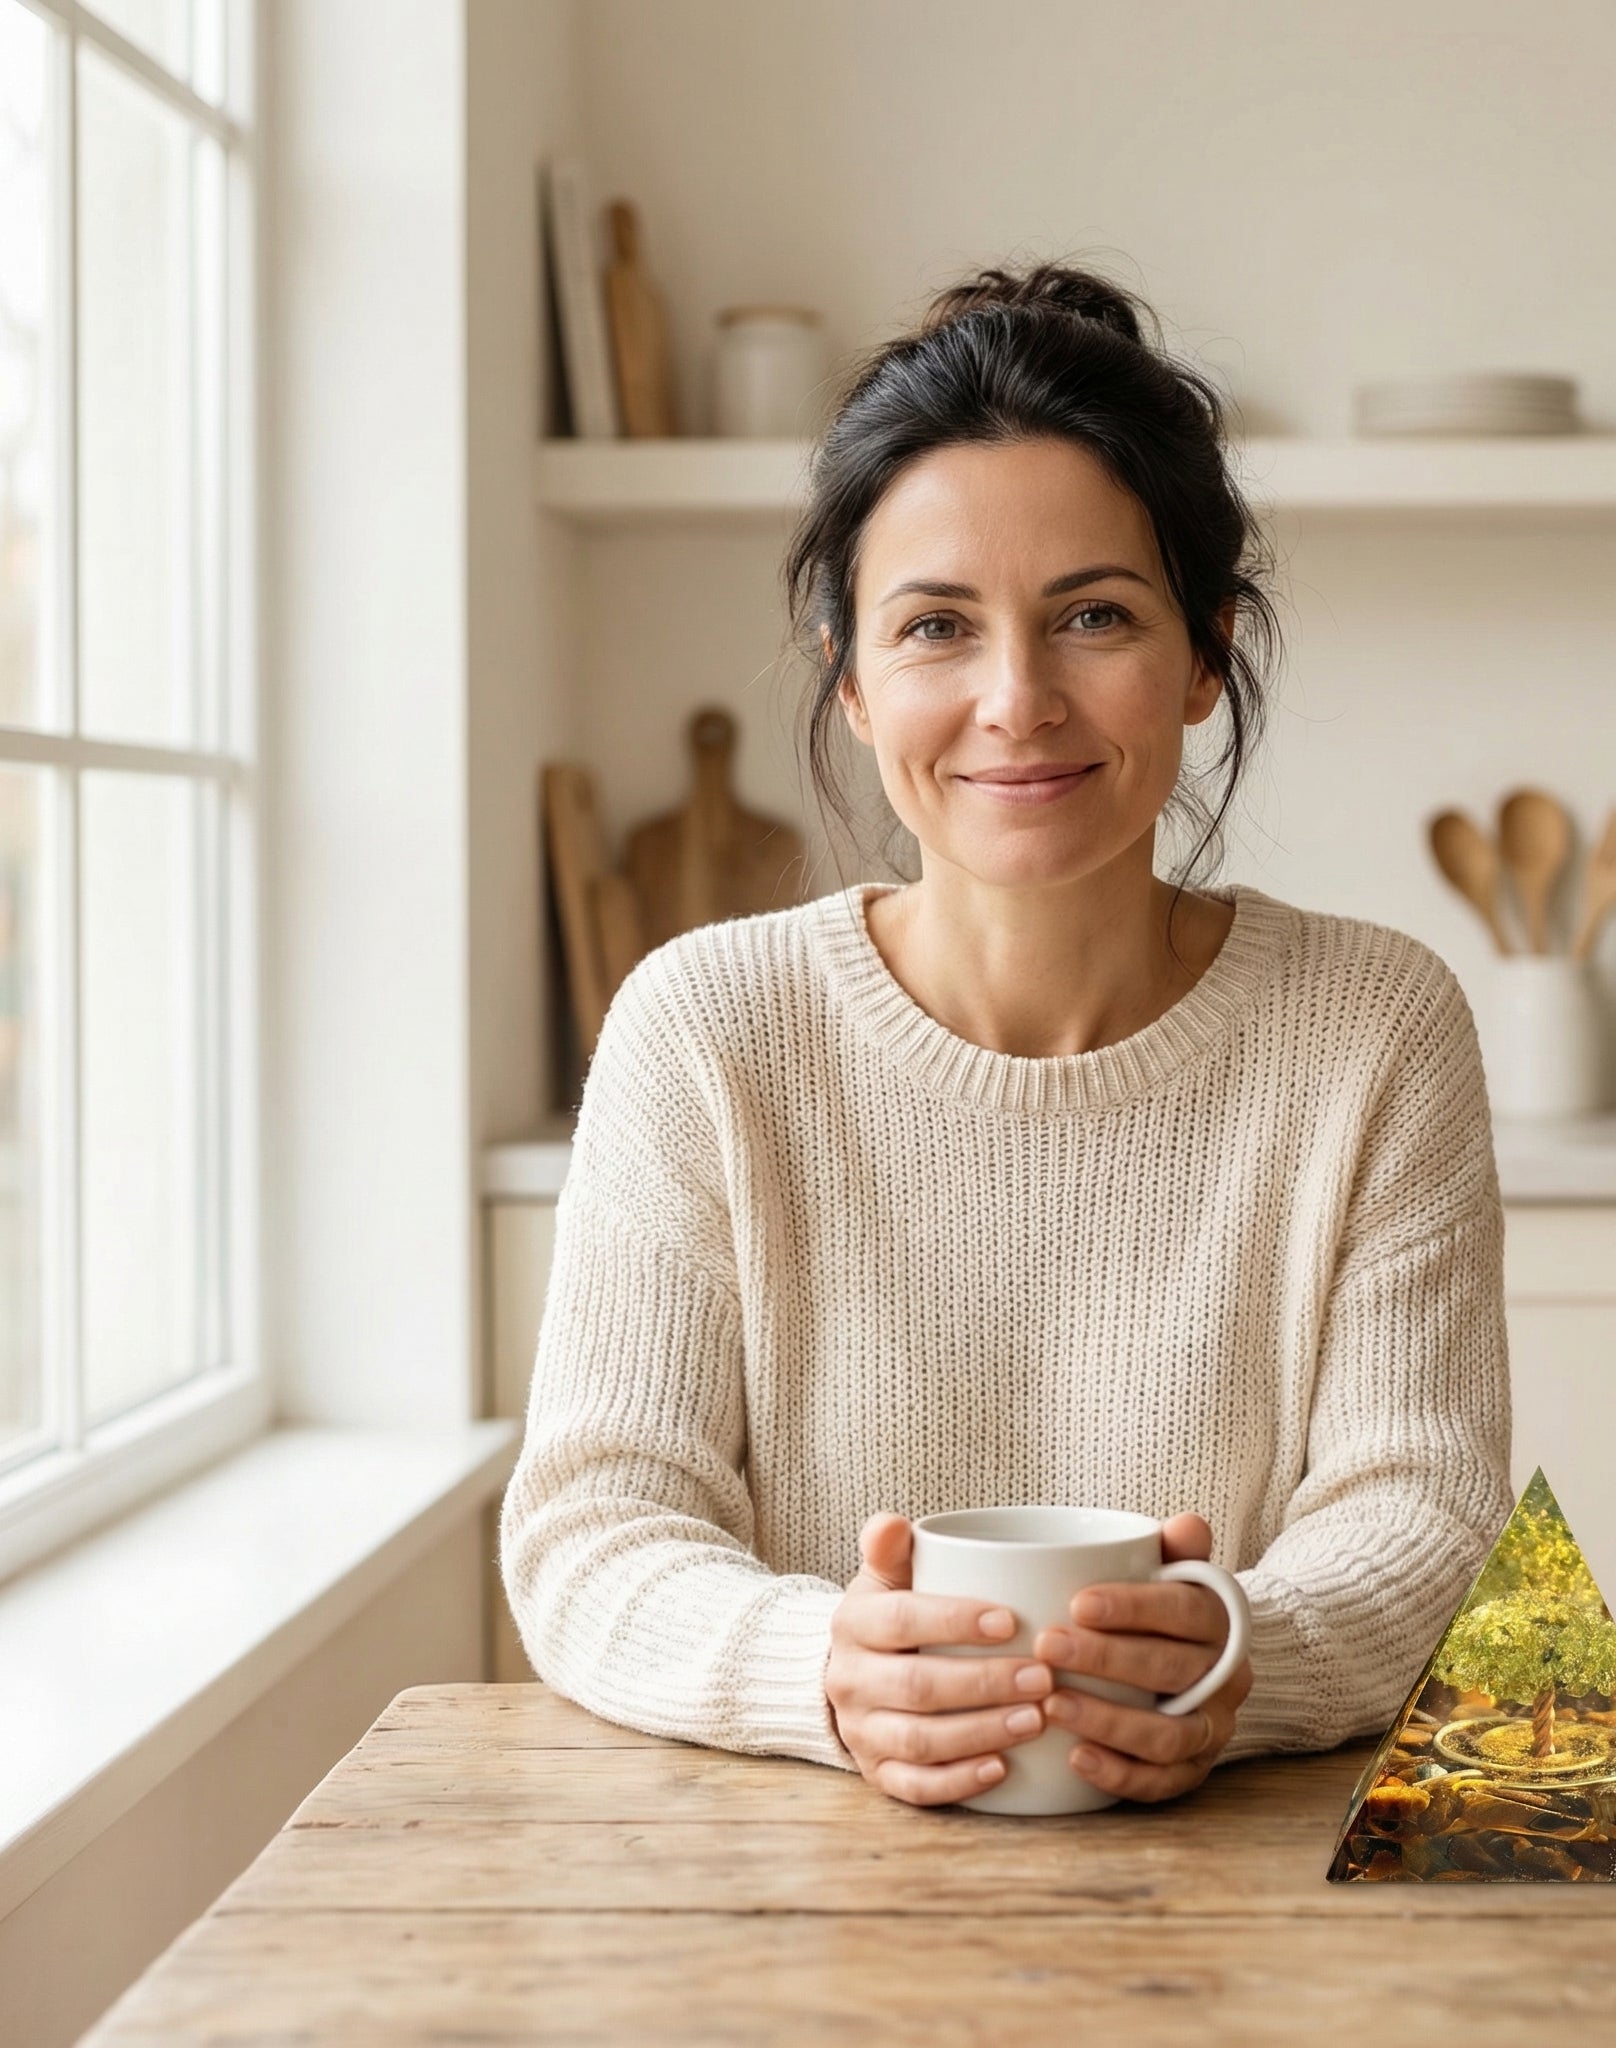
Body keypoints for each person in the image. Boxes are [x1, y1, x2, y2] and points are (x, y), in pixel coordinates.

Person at [499, 259, 1513, 1810]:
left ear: (1201, 659)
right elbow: (593, 1531)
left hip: (1246, 1897)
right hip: (788, 1892)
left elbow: (1424, 1514)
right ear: (848, 679)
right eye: (936, 629)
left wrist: (1241, 1658)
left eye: (1093, 614)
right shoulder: (702, 1030)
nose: (1017, 700)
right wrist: (824, 1672)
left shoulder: (1374, 1029)